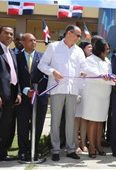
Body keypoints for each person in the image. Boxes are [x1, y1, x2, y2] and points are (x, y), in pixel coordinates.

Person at [38, 25, 89, 161]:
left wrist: (84, 72)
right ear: (69, 33)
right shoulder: (53, 47)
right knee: (55, 120)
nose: (79, 38)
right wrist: (52, 72)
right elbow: (42, 65)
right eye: (78, 35)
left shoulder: (79, 51)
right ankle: (55, 150)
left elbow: (84, 67)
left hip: (72, 90)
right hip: (57, 88)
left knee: (71, 121)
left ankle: (70, 149)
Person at [16, 33, 48, 161]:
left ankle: (34, 150)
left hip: (39, 97)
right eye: (31, 40)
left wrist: (36, 89)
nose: (34, 42)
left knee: (38, 125)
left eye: (35, 40)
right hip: (22, 98)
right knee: (23, 125)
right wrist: (24, 90)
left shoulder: (43, 57)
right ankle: (23, 151)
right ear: (23, 42)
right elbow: (14, 76)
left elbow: (47, 76)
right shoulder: (16, 57)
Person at [81, 38, 114, 158]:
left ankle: (98, 144)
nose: (108, 50)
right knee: (92, 120)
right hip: (92, 94)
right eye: (106, 48)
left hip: (104, 95)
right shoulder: (90, 59)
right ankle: (91, 147)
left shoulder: (107, 61)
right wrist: (101, 76)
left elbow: (110, 75)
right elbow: (89, 71)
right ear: (100, 49)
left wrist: (114, 81)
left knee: (100, 121)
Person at [0, 26, 22, 161]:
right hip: (1, 94)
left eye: (11, 34)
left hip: (12, 94)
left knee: (8, 125)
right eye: (6, 33)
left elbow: (15, 74)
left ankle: (3, 152)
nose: (9, 36)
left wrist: (18, 92)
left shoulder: (12, 53)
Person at [74, 41, 92, 154]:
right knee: (76, 119)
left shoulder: (92, 61)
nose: (91, 49)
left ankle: (83, 143)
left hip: (88, 92)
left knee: (84, 119)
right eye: (89, 47)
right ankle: (75, 144)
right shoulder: (78, 59)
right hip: (77, 91)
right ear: (83, 49)